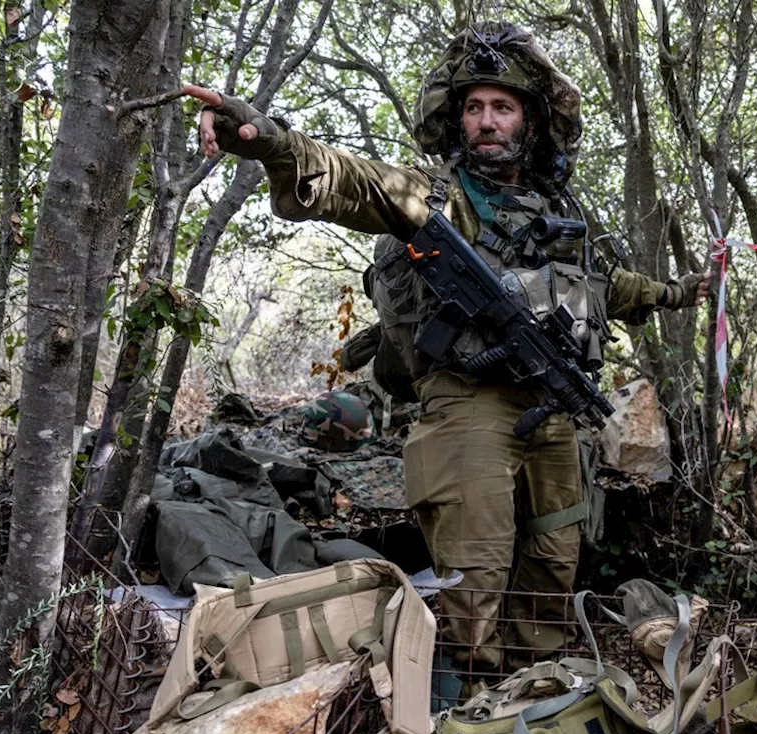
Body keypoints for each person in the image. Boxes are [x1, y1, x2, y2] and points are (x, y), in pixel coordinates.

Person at [183, 22, 707, 682]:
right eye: (474, 107)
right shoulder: (439, 196)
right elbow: (358, 182)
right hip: (469, 401)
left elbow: (605, 286)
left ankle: (531, 683)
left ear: (530, 120)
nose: (487, 121)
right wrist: (273, 144)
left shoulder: (560, 209)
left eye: (503, 107)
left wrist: (677, 293)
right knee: (477, 564)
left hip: (552, 404)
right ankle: (473, 698)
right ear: (457, 119)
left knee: (556, 552)